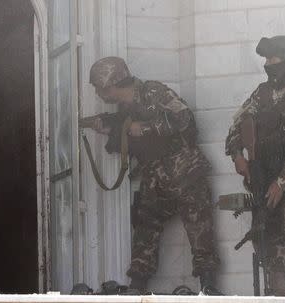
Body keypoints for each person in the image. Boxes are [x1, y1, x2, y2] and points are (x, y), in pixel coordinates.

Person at [88, 57, 220, 293]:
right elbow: (133, 142)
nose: (98, 93)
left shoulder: (153, 92)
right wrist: (109, 129)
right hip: (155, 178)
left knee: (200, 230)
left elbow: (184, 118)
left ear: (113, 84)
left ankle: (208, 287)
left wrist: (145, 127)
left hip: (185, 173)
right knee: (145, 229)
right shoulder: (125, 110)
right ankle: (137, 286)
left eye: (100, 88)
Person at [225, 36, 285, 295]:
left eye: (272, 58)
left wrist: (282, 182)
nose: (267, 64)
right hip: (263, 179)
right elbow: (236, 126)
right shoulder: (262, 94)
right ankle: (276, 298)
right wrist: (237, 156)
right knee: (268, 245)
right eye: (266, 59)